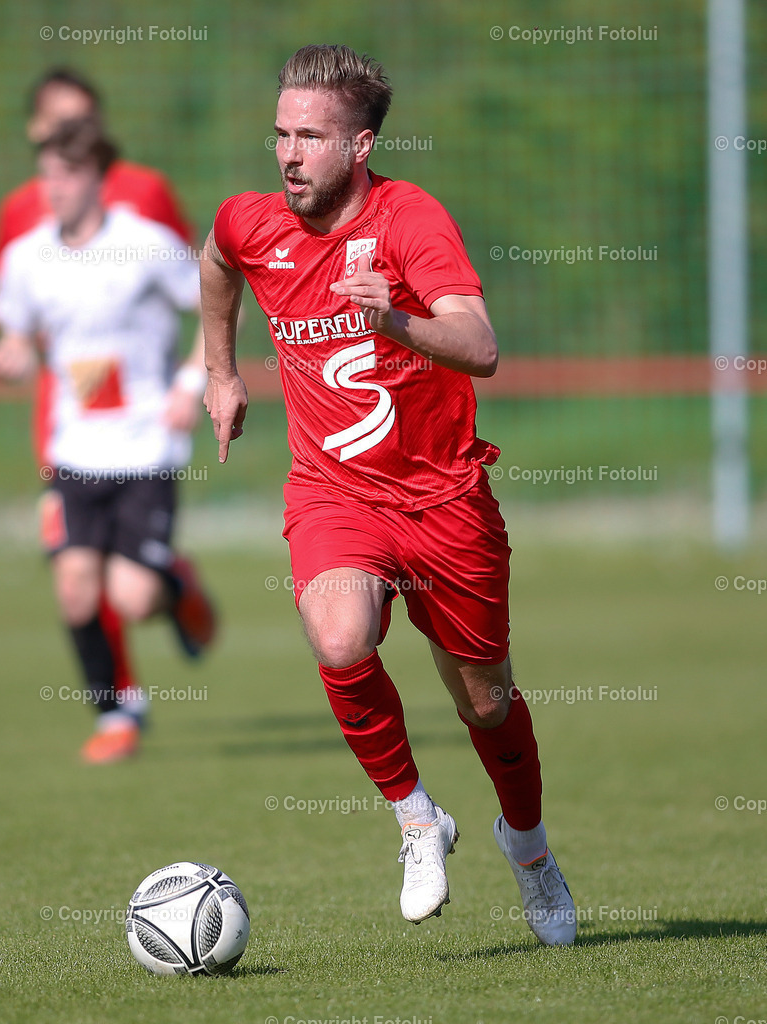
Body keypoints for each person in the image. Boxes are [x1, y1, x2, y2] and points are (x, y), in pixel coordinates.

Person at [200, 44, 576, 945]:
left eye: (312, 138)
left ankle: (528, 848)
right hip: (334, 493)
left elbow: (480, 345)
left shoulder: (412, 223)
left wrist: (394, 319)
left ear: (360, 146)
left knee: (484, 699)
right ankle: (416, 818)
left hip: (445, 498)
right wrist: (219, 372)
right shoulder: (254, 223)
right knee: (339, 639)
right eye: (281, 134)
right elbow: (214, 259)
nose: (289, 154)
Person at [0, 117, 215, 764]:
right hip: (74, 451)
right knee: (74, 588)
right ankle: (116, 713)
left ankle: (177, 586)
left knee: (132, 597)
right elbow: (17, 342)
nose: (51, 187)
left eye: (65, 174)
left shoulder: (145, 244)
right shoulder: (26, 258)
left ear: (97, 179)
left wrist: (193, 380)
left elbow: (219, 296)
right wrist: (8, 360)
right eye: (45, 174)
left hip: (144, 449)